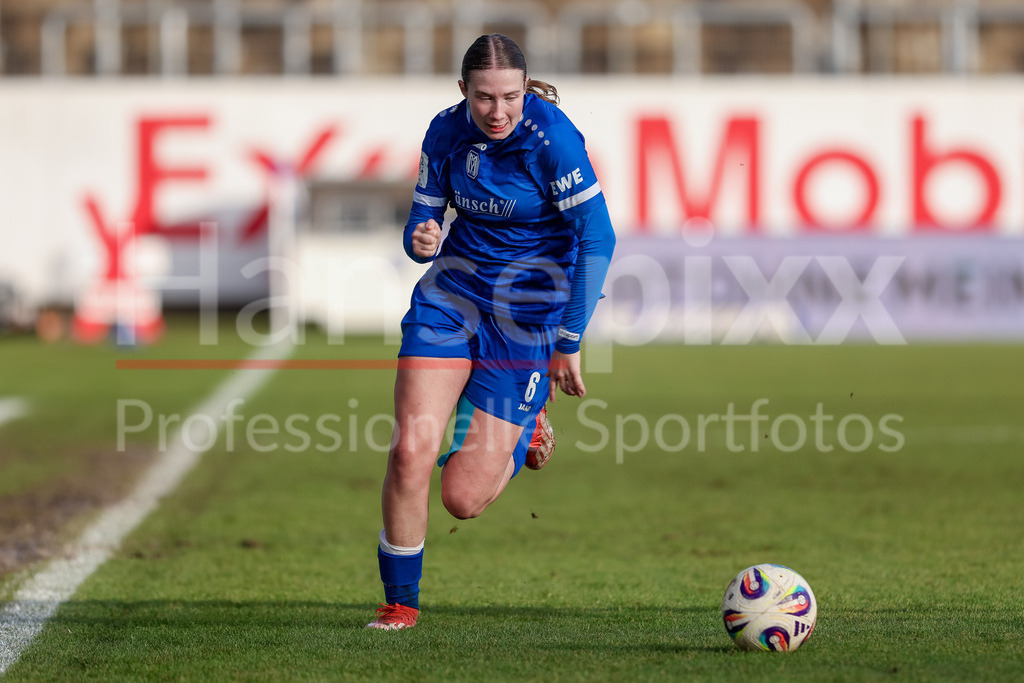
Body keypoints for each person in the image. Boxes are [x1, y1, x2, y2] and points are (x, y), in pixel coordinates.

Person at [366, 33, 616, 630]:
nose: (498, 111)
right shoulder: (446, 132)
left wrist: (569, 341)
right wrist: (420, 237)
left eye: (510, 97)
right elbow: (423, 219)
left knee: (462, 497)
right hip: (451, 299)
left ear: (526, 90)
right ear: (463, 92)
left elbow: (598, 238)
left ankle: (525, 430)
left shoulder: (552, 140)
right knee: (408, 453)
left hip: (526, 320)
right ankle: (400, 604)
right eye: (484, 98)